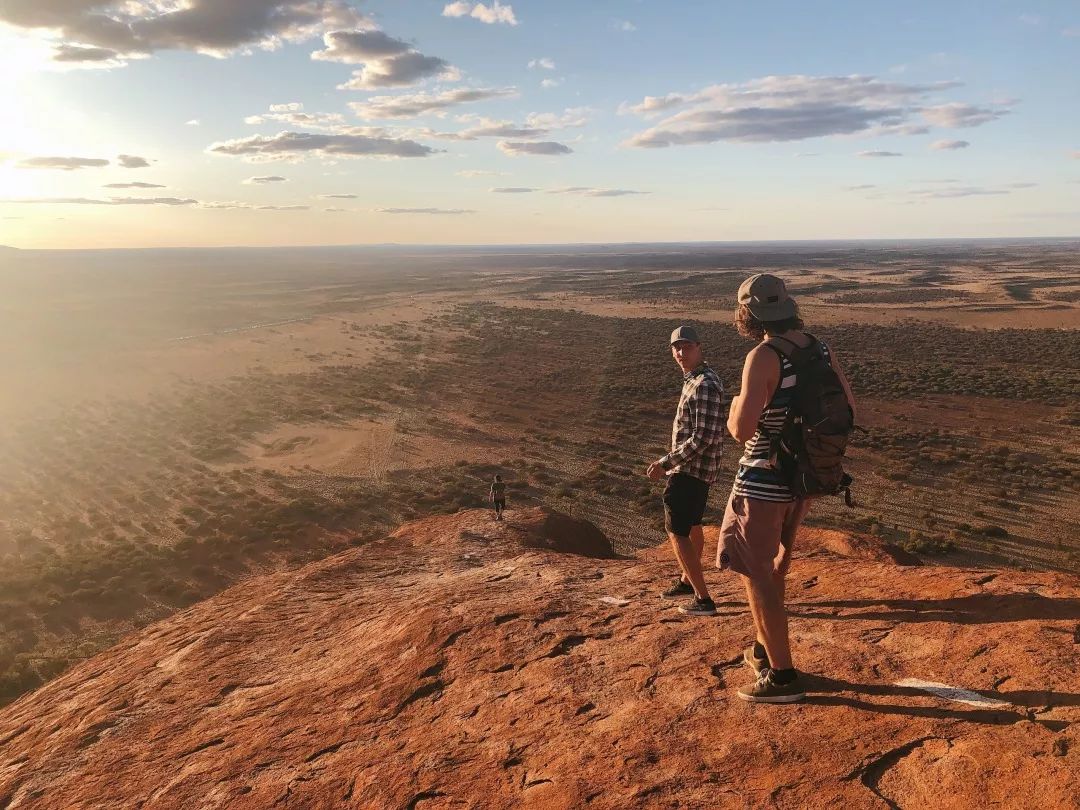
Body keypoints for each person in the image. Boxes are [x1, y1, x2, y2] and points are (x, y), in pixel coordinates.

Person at [720, 273, 856, 703]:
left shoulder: (763, 355)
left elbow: (741, 431)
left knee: (756, 572)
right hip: (804, 475)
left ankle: (782, 677)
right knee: (775, 565)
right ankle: (764, 648)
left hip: (764, 477)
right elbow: (850, 407)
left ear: (748, 313)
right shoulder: (818, 347)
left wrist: (735, 409)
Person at [647, 325, 725, 617]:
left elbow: (703, 437)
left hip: (690, 469)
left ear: (699, 347)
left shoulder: (703, 384)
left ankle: (703, 599)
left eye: (687, 346)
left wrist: (666, 463)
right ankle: (686, 581)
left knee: (676, 530)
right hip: (698, 469)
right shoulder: (697, 379)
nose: (681, 353)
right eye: (676, 348)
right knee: (692, 525)